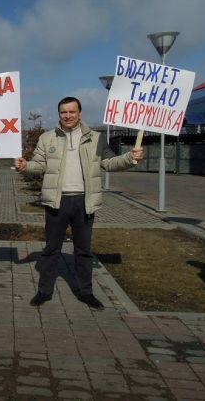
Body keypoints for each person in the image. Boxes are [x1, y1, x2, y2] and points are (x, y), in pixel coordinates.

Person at [14, 97, 143, 310]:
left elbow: (110, 163)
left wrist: (130, 158)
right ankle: (44, 291)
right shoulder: (47, 138)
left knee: (83, 250)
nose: (68, 116)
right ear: (59, 115)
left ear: (80, 113)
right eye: (63, 112)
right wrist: (25, 165)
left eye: (72, 112)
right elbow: (38, 165)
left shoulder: (96, 138)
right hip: (57, 202)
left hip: (84, 202)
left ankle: (86, 292)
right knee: (51, 249)